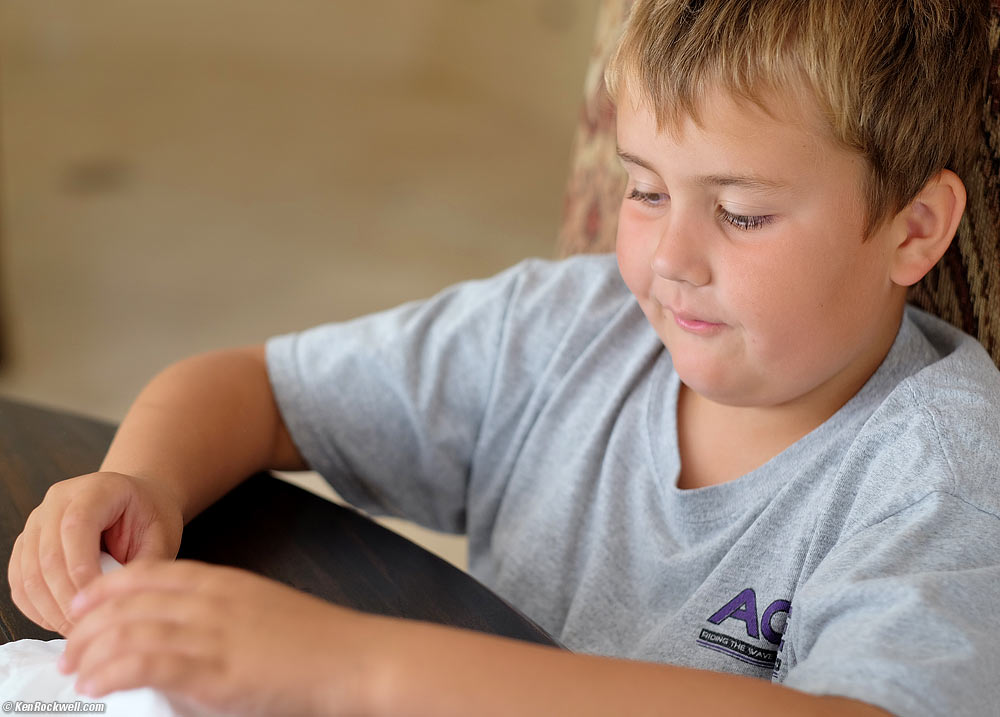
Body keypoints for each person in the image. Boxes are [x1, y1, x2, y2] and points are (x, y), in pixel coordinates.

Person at [8, 0, 997, 714]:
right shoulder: (570, 326)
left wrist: (358, 668)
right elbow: (256, 389)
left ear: (913, 230)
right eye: (646, 191)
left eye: (741, 212)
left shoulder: (941, 471)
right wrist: (139, 481)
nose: (668, 259)